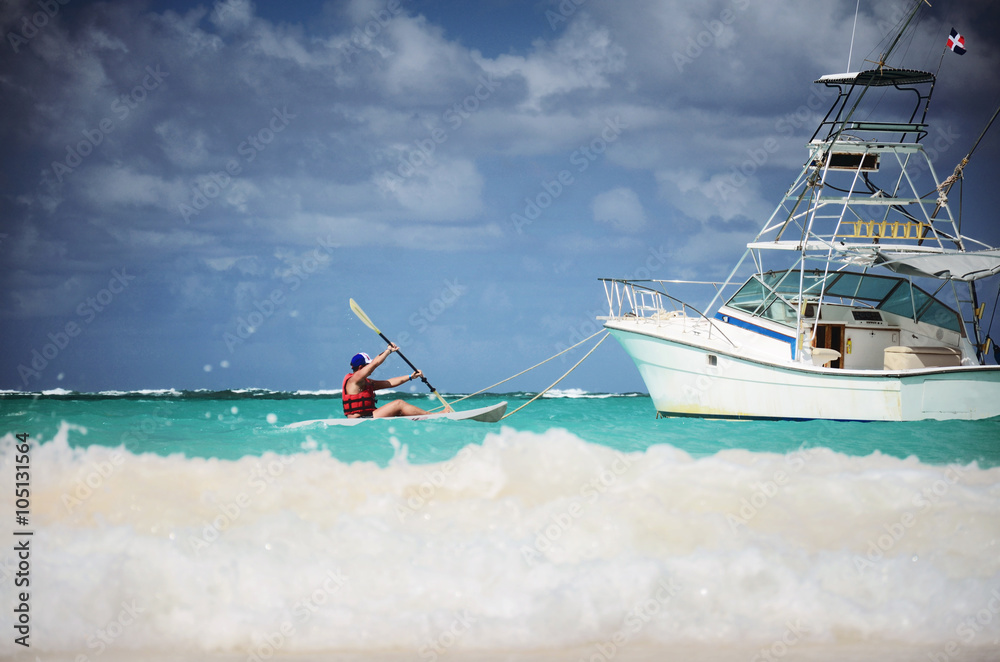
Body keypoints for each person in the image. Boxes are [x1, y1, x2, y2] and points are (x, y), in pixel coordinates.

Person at [342, 343, 431, 418]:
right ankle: (432, 415)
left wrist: (410, 376)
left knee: (400, 411)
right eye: (367, 365)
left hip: (367, 417)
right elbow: (374, 364)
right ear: (361, 367)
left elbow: (389, 383)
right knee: (399, 404)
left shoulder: (365, 382)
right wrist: (389, 351)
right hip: (360, 419)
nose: (370, 369)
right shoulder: (354, 380)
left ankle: (423, 417)